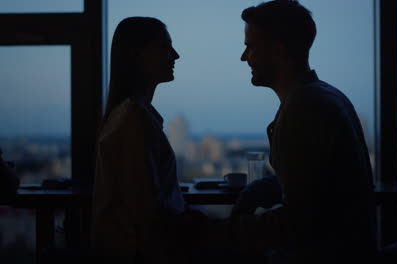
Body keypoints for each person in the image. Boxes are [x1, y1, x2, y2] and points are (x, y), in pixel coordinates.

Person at [200, 1, 377, 263]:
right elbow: (320, 189)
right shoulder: (325, 96)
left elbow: (299, 221)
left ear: (278, 51)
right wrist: (262, 189)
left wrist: (216, 234)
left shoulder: (305, 109)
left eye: (250, 46)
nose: (243, 57)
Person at [90, 17, 189, 264]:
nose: (175, 55)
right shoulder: (133, 119)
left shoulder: (131, 115)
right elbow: (144, 210)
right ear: (138, 55)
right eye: (165, 47)